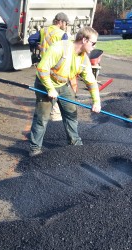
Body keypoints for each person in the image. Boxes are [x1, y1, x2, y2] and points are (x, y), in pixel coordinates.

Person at [28, 26, 101, 157]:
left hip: (63, 85)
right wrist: (50, 89)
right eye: (93, 43)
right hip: (45, 84)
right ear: (84, 40)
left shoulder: (84, 58)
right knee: (42, 118)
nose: (94, 47)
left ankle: (75, 143)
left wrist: (96, 102)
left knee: (71, 113)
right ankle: (35, 149)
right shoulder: (59, 48)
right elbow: (42, 69)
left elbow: (91, 81)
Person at [39, 12, 70, 121]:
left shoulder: (44, 30)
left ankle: (50, 115)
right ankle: (55, 121)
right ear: (60, 22)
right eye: (65, 23)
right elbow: (66, 53)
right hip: (57, 69)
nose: (65, 26)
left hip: (45, 66)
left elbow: (31, 39)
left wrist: (38, 46)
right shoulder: (62, 34)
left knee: (47, 92)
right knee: (55, 93)